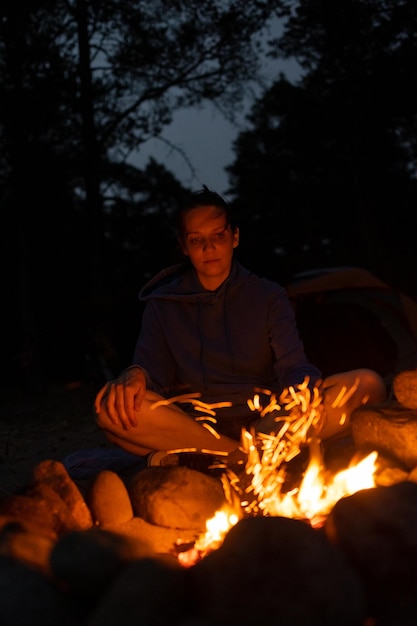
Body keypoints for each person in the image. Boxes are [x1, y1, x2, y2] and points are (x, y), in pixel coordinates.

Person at [94, 187, 387, 468]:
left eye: (218, 235)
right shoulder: (163, 305)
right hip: (195, 427)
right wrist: (133, 375)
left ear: (234, 237)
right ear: (184, 247)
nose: (209, 247)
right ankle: (244, 458)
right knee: (111, 410)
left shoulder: (268, 295)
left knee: (367, 384)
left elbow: (293, 364)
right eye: (197, 240)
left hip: (268, 422)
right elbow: (149, 370)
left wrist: (304, 389)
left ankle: (216, 459)